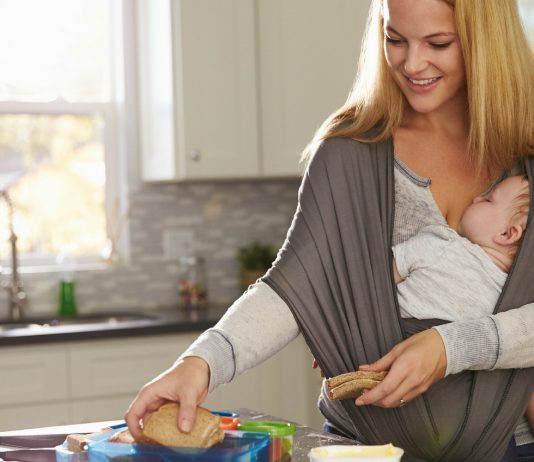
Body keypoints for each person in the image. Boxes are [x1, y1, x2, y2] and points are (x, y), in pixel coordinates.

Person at [126, 0, 534, 460]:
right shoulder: (352, 153)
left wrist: (449, 346)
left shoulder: (526, 151)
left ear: (486, 42)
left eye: (438, 43)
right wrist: (200, 362)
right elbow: (296, 286)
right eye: (395, 39)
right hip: (361, 449)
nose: (412, 63)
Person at [391, 174, 534, 447]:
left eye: (489, 199)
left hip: (427, 418)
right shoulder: (519, 299)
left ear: (507, 234)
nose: (477, 197)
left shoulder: (442, 245)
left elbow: (370, 286)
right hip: (477, 435)